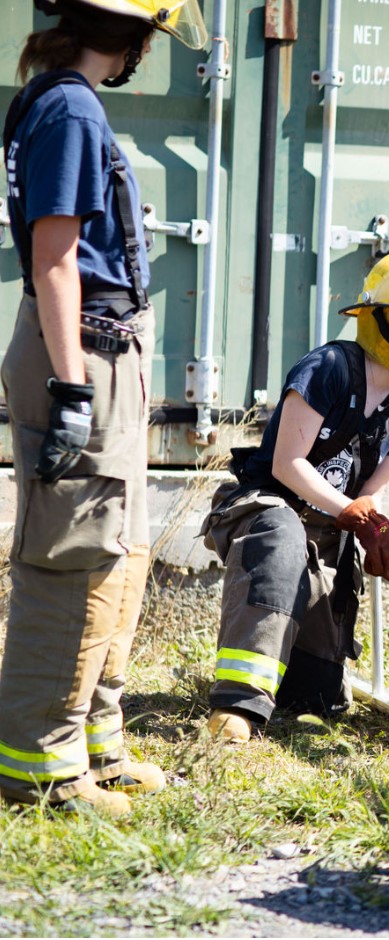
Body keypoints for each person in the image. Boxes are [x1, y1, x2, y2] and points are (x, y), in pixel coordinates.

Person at [0, 0, 207, 816]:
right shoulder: (70, 108)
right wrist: (74, 385)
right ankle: (37, 765)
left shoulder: (62, 100)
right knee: (73, 556)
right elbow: (54, 260)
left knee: (115, 549)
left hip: (99, 346)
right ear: (128, 36)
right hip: (80, 350)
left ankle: (93, 736)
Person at [202, 250, 389, 745]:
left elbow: (372, 490)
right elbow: (289, 465)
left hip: (329, 531)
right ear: (379, 317)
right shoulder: (328, 367)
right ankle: (236, 704)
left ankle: (290, 680)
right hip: (268, 507)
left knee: (316, 700)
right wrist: (354, 514)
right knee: (282, 538)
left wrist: (386, 530)